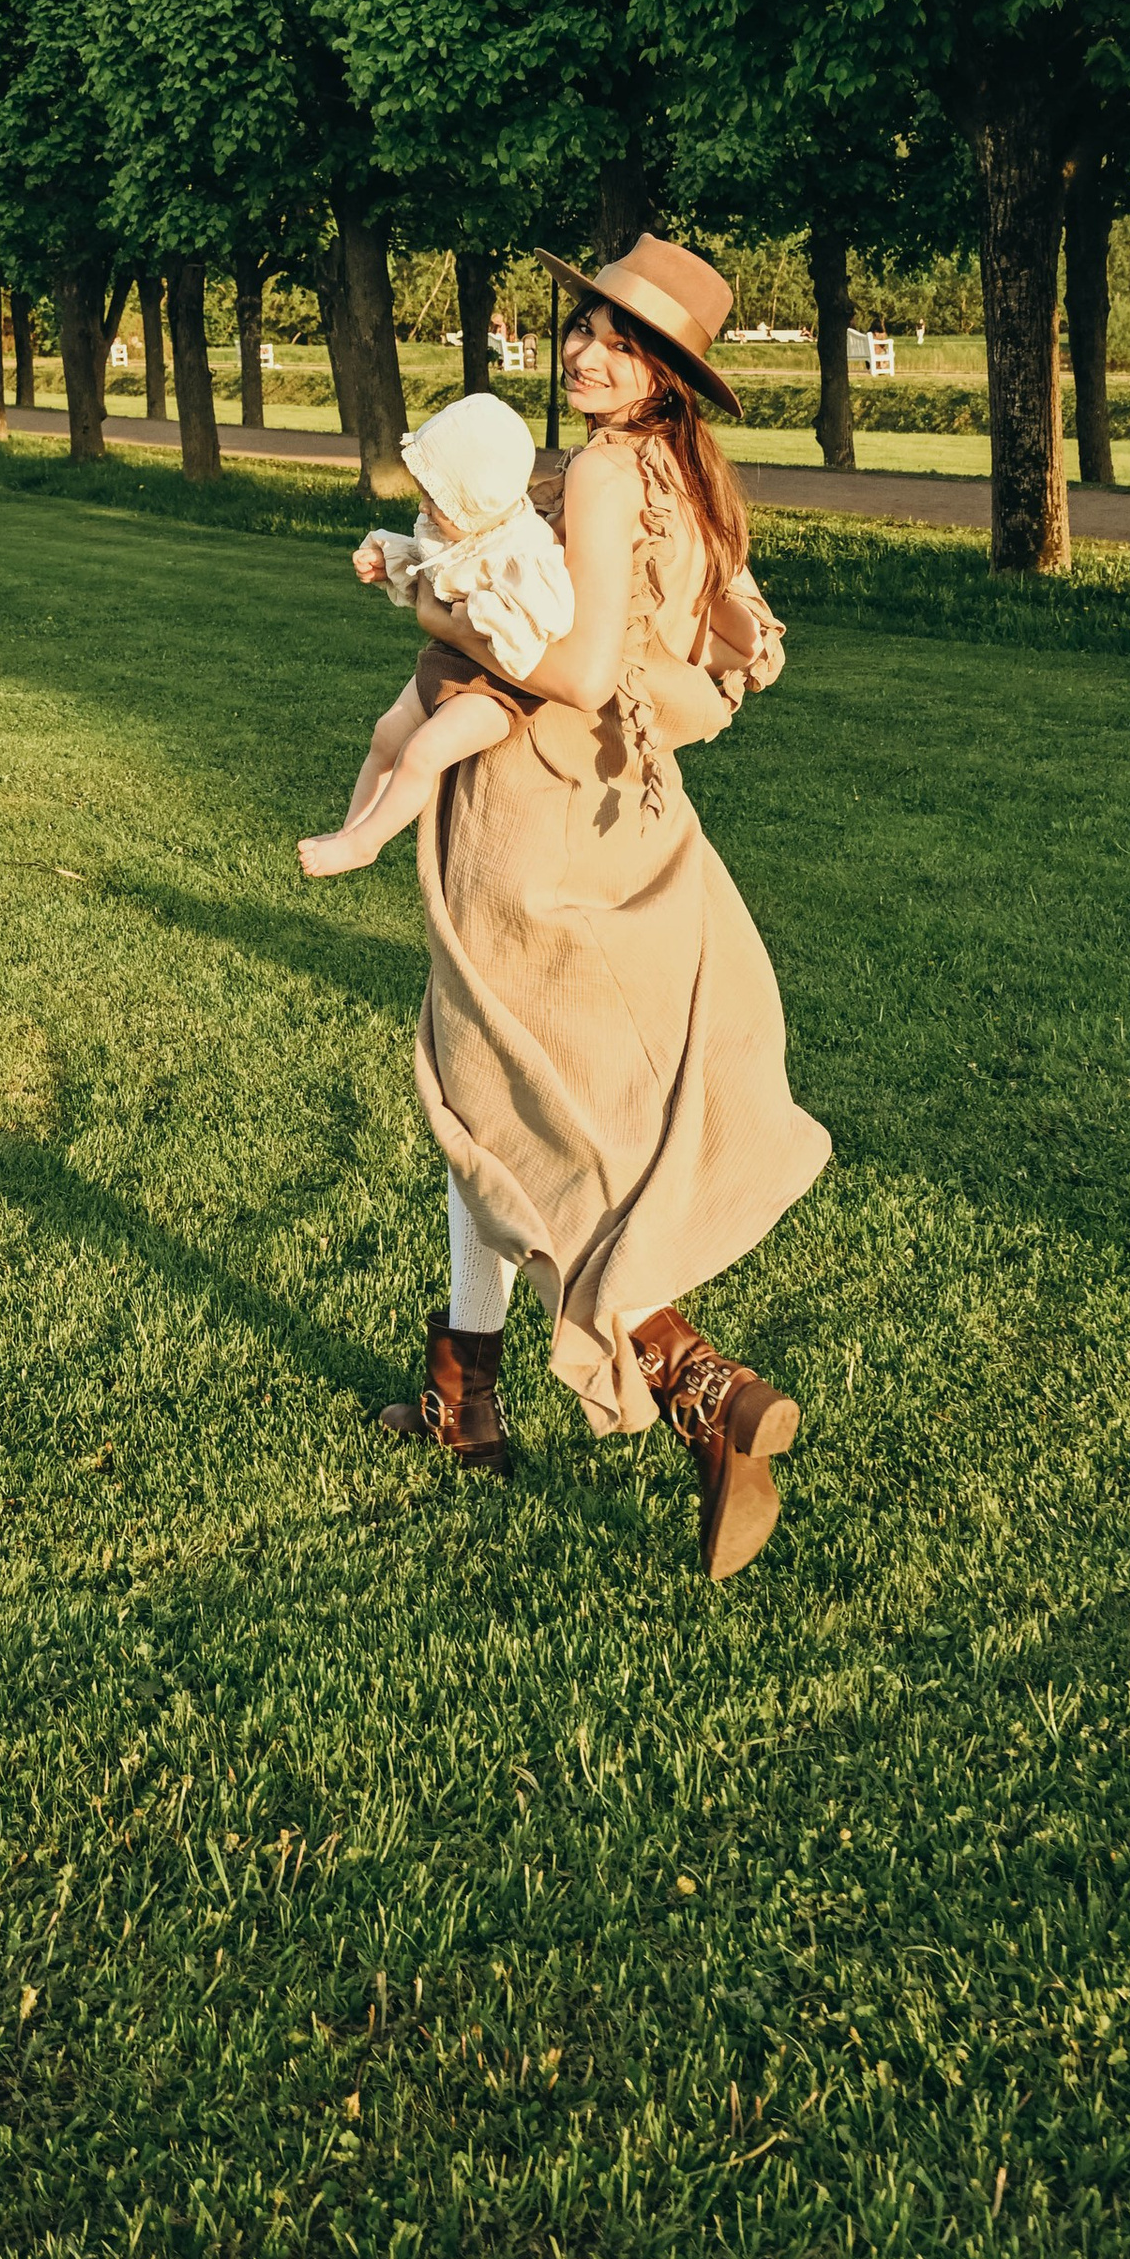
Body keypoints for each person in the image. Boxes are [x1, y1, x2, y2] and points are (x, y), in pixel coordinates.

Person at [369, 234, 831, 1582]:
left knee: (512, 1116)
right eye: (584, 327)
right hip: (631, 816)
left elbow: (568, 668)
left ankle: (704, 1392)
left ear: (667, 375)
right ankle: (467, 1398)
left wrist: (428, 607)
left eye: (621, 344)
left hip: (535, 820)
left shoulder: (609, 467)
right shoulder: (690, 475)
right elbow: (696, 667)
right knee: (492, 1105)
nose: (586, 353)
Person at [297, 393, 574, 880]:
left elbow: (545, 618)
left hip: (499, 688)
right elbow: (433, 561)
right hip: (448, 659)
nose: (425, 506)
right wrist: (390, 562)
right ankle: (350, 831)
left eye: (437, 499)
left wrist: (486, 612)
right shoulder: (458, 525)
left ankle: (367, 842)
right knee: (387, 734)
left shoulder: (526, 546)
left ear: (477, 496)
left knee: (423, 751)